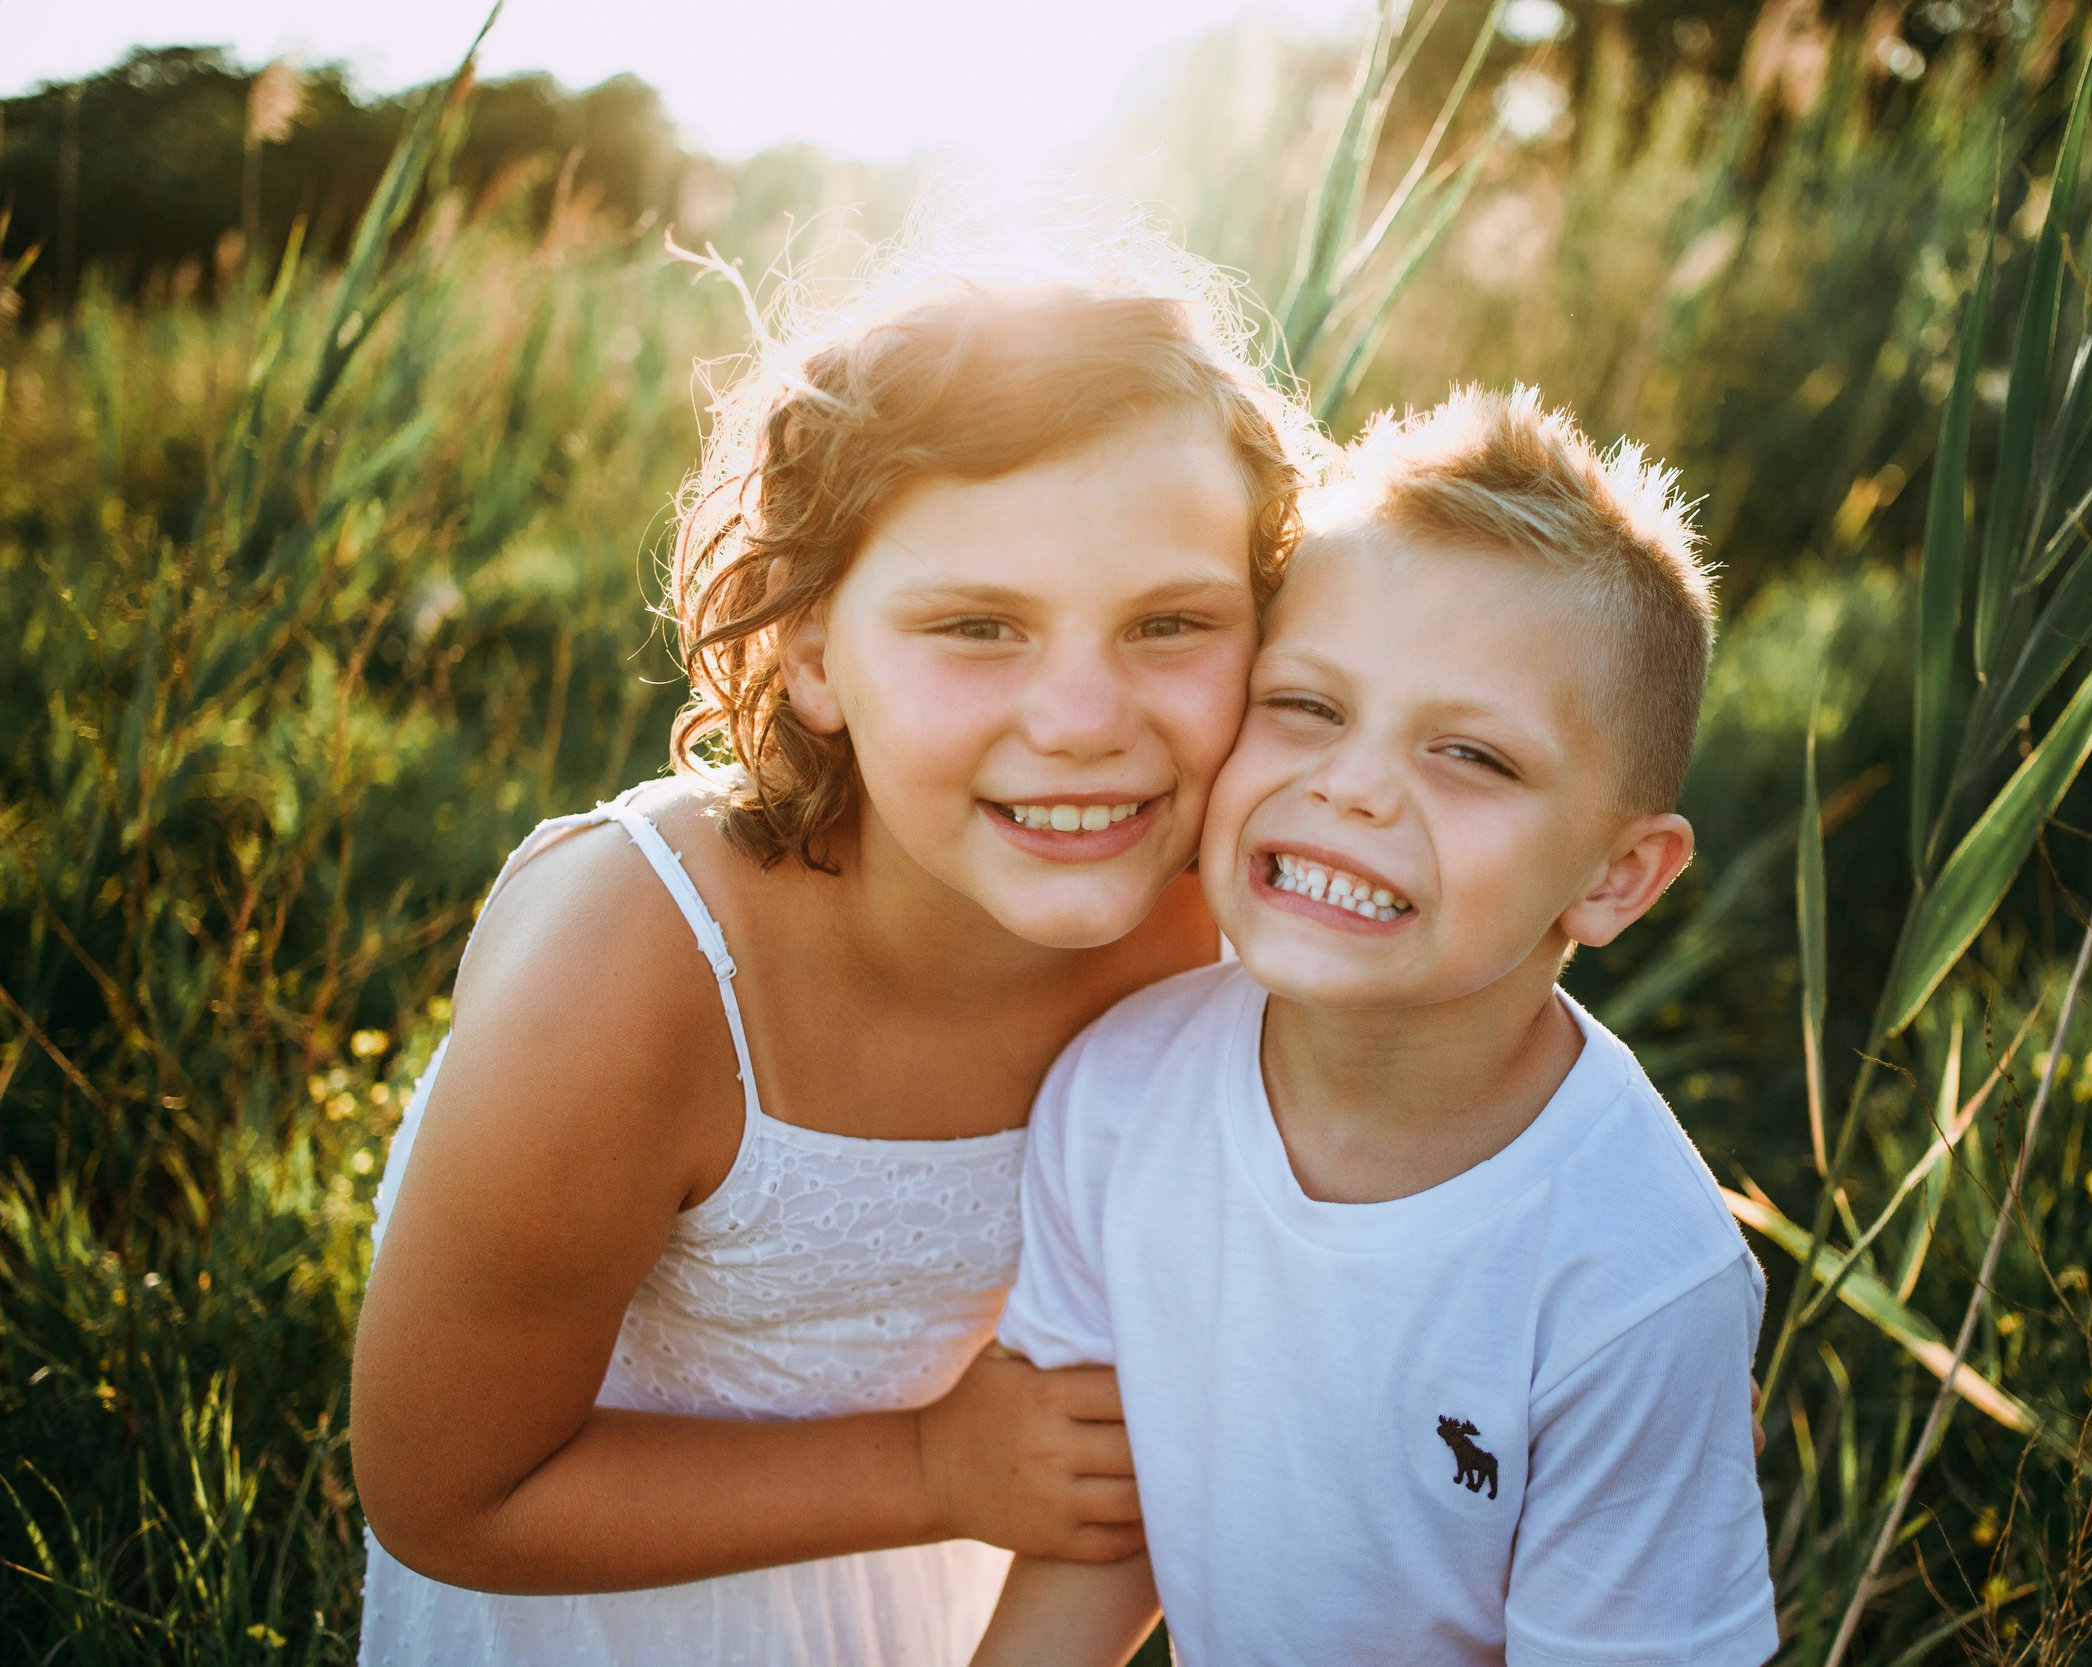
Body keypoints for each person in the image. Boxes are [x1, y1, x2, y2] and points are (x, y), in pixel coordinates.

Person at [348, 232, 1319, 1667]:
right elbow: (451, 1488)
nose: (1081, 717)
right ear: (812, 653)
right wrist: (931, 1468)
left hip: (945, 1596)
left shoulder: (1233, 940)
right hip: (602, 1605)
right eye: (977, 625)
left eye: (1170, 622)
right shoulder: (637, 967)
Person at [975, 386, 1779, 1666]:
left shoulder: (1633, 1282)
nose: (1350, 786)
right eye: (1306, 705)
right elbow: (1101, 1528)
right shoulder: (1119, 1097)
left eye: (1471, 755)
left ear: (1615, 876)